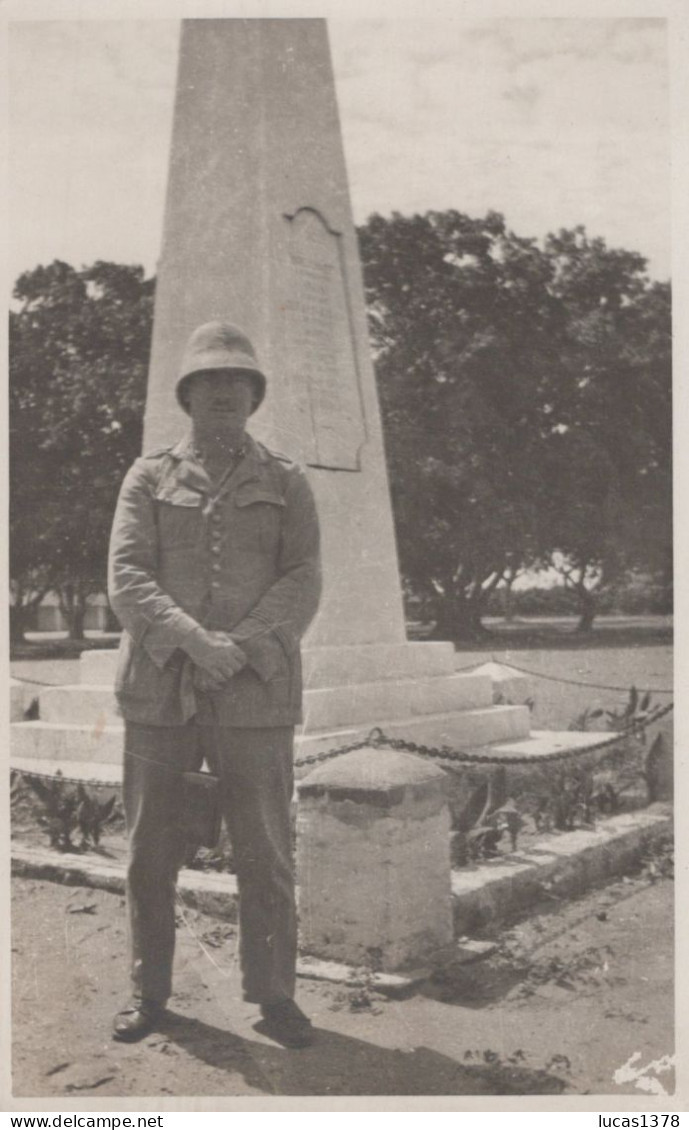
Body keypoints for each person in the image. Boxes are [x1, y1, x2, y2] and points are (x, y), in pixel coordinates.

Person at [107, 321, 321, 1048]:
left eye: (238, 382)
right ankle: (149, 992)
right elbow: (128, 577)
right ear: (187, 396)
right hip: (160, 691)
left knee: (264, 850)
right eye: (210, 382)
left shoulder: (286, 479)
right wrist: (193, 640)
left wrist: (245, 645)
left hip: (255, 693)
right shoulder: (147, 476)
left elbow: (302, 576)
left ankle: (274, 997)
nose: (224, 392)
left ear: (254, 396)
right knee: (149, 852)